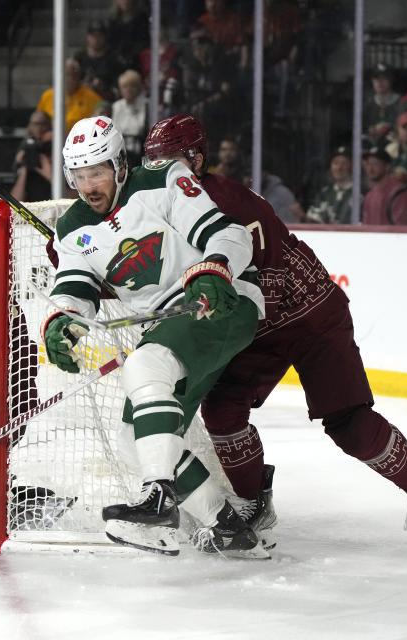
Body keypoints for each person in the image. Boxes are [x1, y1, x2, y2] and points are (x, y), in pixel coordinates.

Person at [142, 113, 407, 545]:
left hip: (310, 316)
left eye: (169, 160)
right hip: (253, 325)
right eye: (153, 161)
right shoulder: (160, 201)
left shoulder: (230, 203)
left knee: (348, 421)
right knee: (222, 413)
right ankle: (255, 499)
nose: (158, 170)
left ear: (195, 161)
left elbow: (254, 278)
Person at [44, 115, 267, 558]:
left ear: (120, 165)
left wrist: (214, 268)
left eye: (98, 172)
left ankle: (159, 498)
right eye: (79, 175)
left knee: (143, 365)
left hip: (222, 301)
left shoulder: (163, 178)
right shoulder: (72, 228)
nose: (88, 185)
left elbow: (229, 232)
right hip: (172, 326)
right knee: (135, 433)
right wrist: (61, 321)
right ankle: (228, 526)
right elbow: (75, 287)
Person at [36, 57, 103, 134]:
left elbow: (99, 124)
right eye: (67, 75)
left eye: (74, 75)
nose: (70, 79)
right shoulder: (47, 95)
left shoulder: (92, 97)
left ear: (79, 76)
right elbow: (38, 118)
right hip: (52, 139)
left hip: (81, 139)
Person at [361, 146, 407, 225]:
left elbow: (399, 230)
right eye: (368, 164)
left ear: (387, 167)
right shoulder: (369, 196)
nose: (370, 169)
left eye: (375, 164)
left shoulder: (399, 193)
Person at [10, 109, 53, 202]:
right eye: (35, 124)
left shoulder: (54, 146)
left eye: (42, 124)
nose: (39, 128)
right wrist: (23, 169)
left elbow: (71, 198)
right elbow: (15, 202)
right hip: (31, 202)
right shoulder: (26, 146)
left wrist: (50, 175)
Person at [305, 146, 352, 224]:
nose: (339, 168)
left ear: (351, 167)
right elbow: (312, 220)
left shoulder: (359, 194)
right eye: (336, 163)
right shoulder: (324, 193)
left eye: (344, 163)